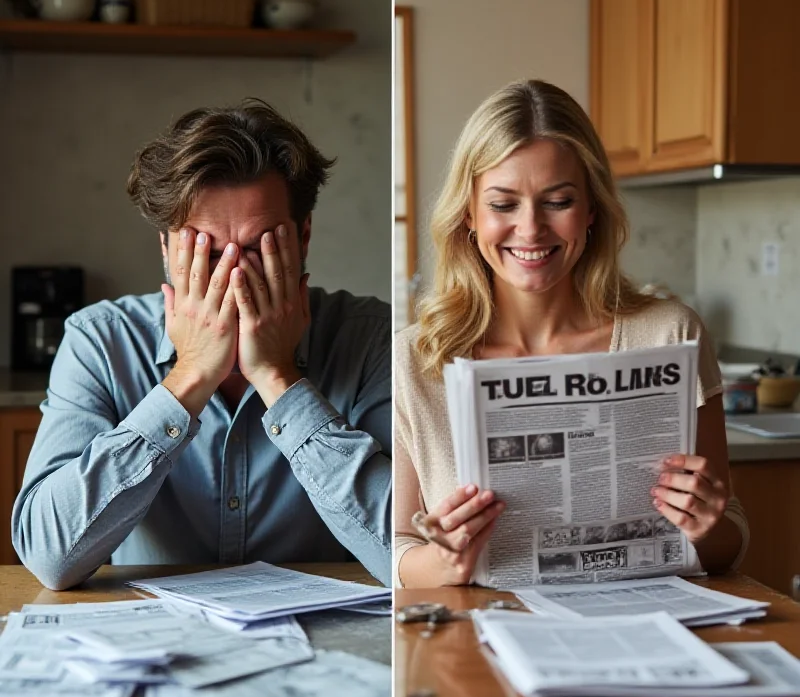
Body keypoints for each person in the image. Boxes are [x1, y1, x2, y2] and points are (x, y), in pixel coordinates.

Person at [13, 100, 392, 590]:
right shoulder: (100, 340)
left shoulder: (370, 337)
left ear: (303, 237)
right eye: (205, 252)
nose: (232, 276)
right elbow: (50, 557)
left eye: (259, 248)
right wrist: (188, 377)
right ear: (167, 249)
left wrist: (279, 378)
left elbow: (406, 553)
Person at [395, 79, 748, 588]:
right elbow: (399, 550)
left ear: (591, 209)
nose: (531, 229)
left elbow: (728, 539)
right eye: (503, 204)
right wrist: (441, 560)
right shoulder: (415, 358)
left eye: (557, 201)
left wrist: (707, 526)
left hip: (644, 630)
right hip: (480, 637)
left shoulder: (671, 333)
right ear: (469, 213)